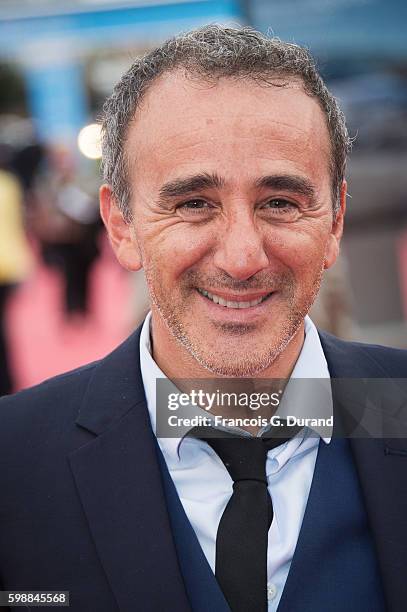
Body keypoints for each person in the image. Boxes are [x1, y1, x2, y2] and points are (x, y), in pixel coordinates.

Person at [0, 26, 406, 612]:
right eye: (194, 204)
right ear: (121, 225)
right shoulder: (12, 459)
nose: (242, 258)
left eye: (280, 202)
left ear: (336, 219)